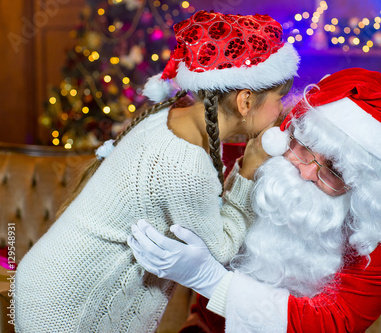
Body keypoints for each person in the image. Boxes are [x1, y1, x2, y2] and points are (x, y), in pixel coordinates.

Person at [13, 10, 299, 332]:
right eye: (280, 97)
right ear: (245, 101)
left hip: (46, 279)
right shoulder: (185, 164)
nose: (283, 109)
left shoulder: (175, 117)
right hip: (67, 311)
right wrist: (250, 168)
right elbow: (219, 250)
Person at [128, 68, 381, 332]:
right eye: (304, 149)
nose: (306, 173)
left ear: (363, 186)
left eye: (333, 170)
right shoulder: (257, 163)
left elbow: (337, 322)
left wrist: (210, 279)